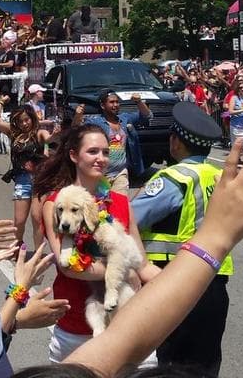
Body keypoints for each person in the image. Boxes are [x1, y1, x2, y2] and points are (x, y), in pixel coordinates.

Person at [35, 124, 159, 362]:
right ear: (73, 155)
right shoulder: (57, 203)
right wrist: (124, 271)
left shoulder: (121, 202)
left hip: (126, 323)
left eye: (105, 152)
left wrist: (177, 282)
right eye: (93, 152)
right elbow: (69, 267)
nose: (101, 158)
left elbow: (143, 265)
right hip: (77, 331)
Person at [130, 102, 231, 377]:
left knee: (172, 363)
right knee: (205, 363)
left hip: (174, 280)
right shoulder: (219, 175)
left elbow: (128, 219)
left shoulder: (175, 178)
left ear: (176, 142)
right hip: (214, 280)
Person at [0, 98, 52, 247]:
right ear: (16, 123)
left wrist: (50, 141)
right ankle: (18, 247)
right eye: (21, 121)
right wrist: (0, 102)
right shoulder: (14, 134)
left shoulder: (39, 133)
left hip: (40, 181)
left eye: (27, 120)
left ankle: (38, 252)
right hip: (22, 181)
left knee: (37, 218)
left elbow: (50, 139)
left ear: (32, 119)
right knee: (19, 221)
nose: (25, 124)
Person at [72, 91, 151, 194]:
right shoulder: (96, 122)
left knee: (120, 205)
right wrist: (78, 115)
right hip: (101, 174)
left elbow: (147, 115)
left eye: (117, 102)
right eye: (112, 102)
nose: (115, 105)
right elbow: (75, 129)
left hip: (121, 173)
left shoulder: (125, 119)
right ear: (102, 105)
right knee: (101, 206)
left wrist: (139, 101)